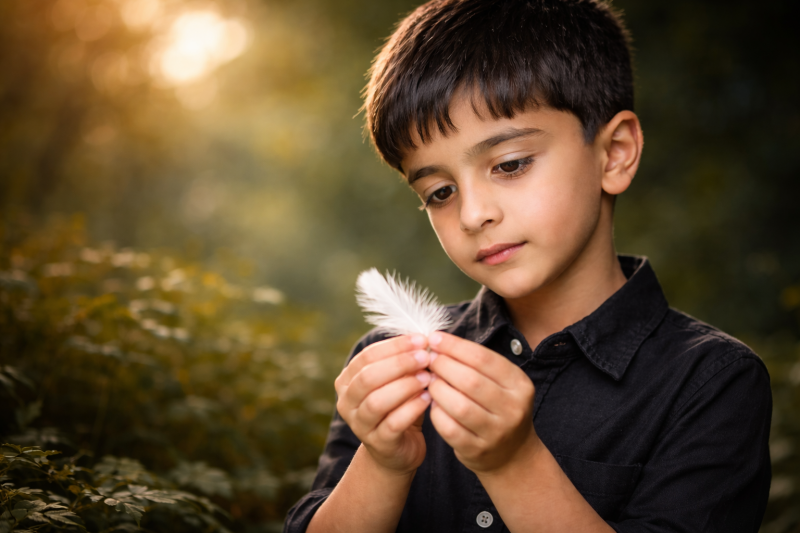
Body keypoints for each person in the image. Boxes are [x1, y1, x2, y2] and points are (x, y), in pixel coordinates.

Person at [284, 0, 772, 531]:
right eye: (440, 192)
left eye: (510, 165)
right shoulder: (391, 365)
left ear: (614, 154)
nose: (473, 214)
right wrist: (382, 462)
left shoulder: (711, 383)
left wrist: (512, 464)